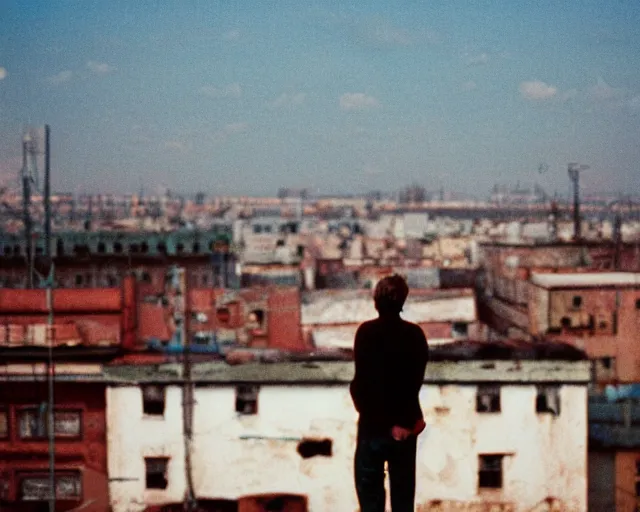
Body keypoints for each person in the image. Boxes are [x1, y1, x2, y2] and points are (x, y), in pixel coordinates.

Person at [350, 274, 429, 512]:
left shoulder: (366, 332)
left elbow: (361, 385)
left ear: (376, 301)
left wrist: (383, 423)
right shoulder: (415, 335)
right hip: (405, 429)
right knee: (403, 501)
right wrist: (402, 423)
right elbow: (413, 383)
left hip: (372, 429)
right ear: (403, 301)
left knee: (370, 501)